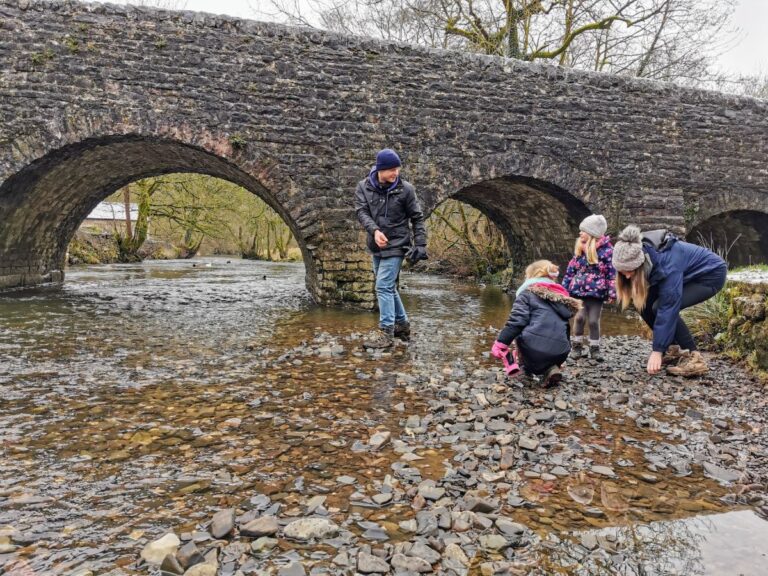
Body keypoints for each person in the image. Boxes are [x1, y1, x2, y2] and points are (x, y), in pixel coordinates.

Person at [611, 225, 727, 377]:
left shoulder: (667, 262)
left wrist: (657, 350)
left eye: (629, 271)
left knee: (660, 307)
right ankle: (675, 350)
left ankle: (694, 357)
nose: (626, 276)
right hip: (687, 274)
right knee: (644, 304)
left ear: (640, 263)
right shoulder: (638, 250)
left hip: (709, 275)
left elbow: (668, 307)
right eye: (622, 271)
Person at [355, 148, 427, 348]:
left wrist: (420, 244)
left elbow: (417, 218)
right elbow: (361, 212)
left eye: (397, 169)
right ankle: (402, 325)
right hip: (376, 244)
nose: (395, 173)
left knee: (383, 286)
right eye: (391, 170)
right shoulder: (364, 187)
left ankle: (386, 332)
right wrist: (374, 231)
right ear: (380, 169)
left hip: (398, 243)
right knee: (389, 287)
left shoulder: (406, 189)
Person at [491, 260, 581, 387]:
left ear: (530, 277)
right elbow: (566, 329)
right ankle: (550, 368)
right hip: (561, 352)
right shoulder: (561, 299)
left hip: (534, 350)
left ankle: (524, 370)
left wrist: (501, 343)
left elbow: (516, 322)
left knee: (522, 331)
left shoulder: (526, 295)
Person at [561, 214, 616, 361]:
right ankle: (577, 347)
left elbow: (611, 273)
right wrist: (563, 290)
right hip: (578, 291)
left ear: (592, 233)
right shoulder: (580, 251)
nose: (580, 233)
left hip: (597, 293)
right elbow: (570, 272)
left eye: (583, 231)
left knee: (593, 321)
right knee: (579, 318)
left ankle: (595, 348)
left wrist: (612, 292)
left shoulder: (607, 252)